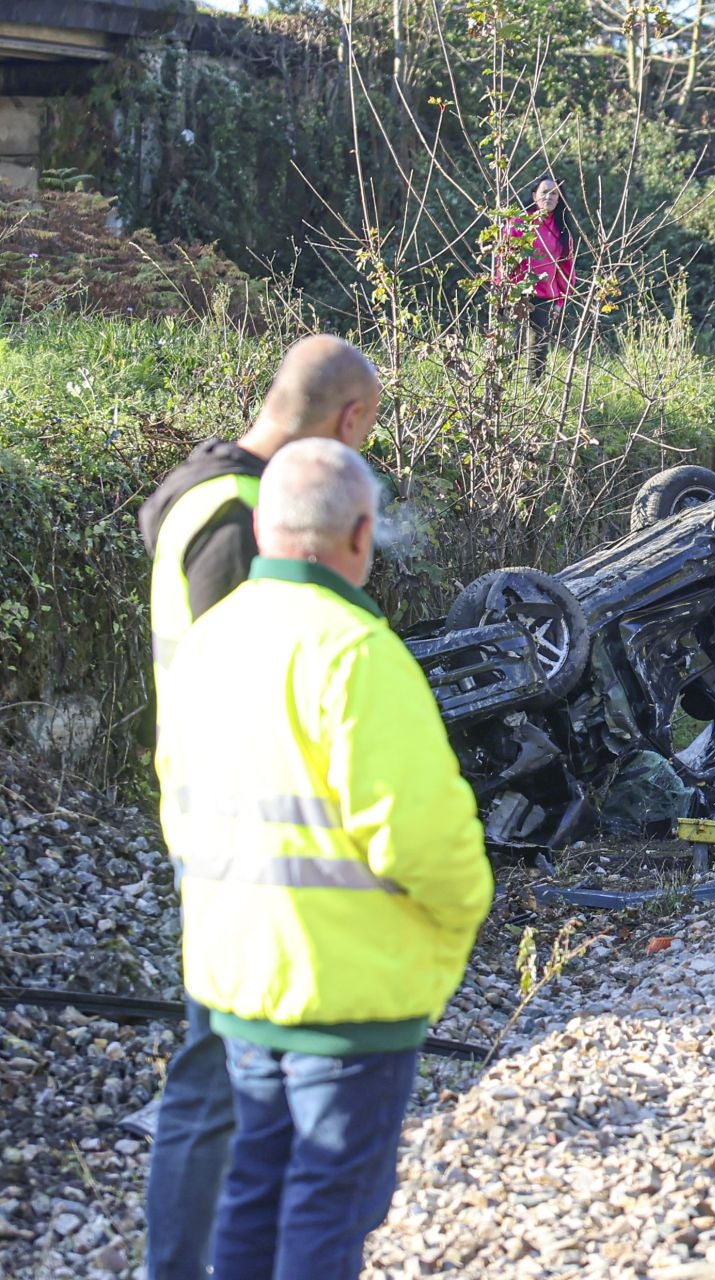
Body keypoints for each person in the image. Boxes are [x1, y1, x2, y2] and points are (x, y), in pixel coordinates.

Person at [155, 438, 492, 1278]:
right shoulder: (355, 652)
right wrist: (456, 928)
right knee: (326, 1208)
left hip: (241, 984)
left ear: (261, 527)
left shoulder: (207, 638)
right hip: (346, 993)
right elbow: (424, 839)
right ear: (361, 533)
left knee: (254, 1193)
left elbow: (177, 801)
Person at [136, 334, 381, 1280]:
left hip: (220, 818)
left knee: (237, 1070)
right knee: (219, 1076)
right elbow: (260, 678)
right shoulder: (240, 518)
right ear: (348, 420)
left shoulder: (200, 492)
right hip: (245, 833)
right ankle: (186, 1265)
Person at [508, 175, 576, 378]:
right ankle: (500, 389)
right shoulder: (518, 223)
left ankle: (534, 391)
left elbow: (566, 269)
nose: (549, 197)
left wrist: (561, 301)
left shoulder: (562, 230)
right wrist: (503, 288)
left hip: (545, 296)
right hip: (516, 292)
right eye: (544, 192)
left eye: (554, 193)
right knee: (511, 345)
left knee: (539, 349)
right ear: (534, 196)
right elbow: (503, 259)